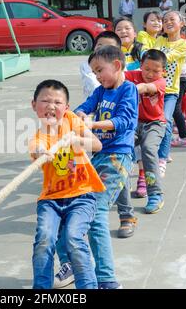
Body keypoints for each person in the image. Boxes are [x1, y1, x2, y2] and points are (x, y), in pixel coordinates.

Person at [29, 79, 106, 289]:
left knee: (73, 237)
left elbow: (97, 144)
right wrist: (42, 152)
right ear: (34, 105)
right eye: (45, 101)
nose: (51, 106)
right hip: (51, 199)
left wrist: (78, 141)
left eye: (57, 102)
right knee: (44, 238)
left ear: (66, 107)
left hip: (81, 196)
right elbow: (36, 149)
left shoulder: (72, 121)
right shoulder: (38, 137)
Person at [75, 45, 139, 288]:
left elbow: (123, 121)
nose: (97, 76)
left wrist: (93, 125)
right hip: (98, 155)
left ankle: (107, 280)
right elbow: (84, 107)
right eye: (94, 72)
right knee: (80, 207)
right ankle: (84, 268)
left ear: (117, 66)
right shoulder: (101, 91)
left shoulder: (128, 89)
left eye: (100, 70)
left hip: (118, 156)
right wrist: (77, 116)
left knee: (97, 211)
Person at [125, 49, 167, 213]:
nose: (150, 73)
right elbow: (117, 77)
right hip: (135, 123)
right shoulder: (132, 75)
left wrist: (134, 88)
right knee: (122, 145)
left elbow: (146, 87)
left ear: (163, 71)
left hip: (155, 124)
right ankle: (116, 188)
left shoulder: (161, 83)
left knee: (149, 148)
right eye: (146, 69)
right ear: (140, 66)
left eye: (155, 71)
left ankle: (155, 194)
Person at [154, 11, 186, 178]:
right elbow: (151, 57)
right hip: (155, 89)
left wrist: (154, 57)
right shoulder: (159, 40)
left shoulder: (184, 44)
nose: (168, 22)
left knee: (166, 120)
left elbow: (164, 58)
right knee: (156, 122)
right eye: (165, 20)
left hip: (170, 91)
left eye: (172, 19)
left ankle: (161, 159)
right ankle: (163, 151)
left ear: (181, 23)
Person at [80, 31, 121, 99]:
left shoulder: (121, 65)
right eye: (99, 46)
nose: (103, 51)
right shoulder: (87, 65)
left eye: (108, 49)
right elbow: (93, 85)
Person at [171, 25, 186, 148]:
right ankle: (182, 132)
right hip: (182, 77)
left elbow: (169, 58)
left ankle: (184, 137)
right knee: (176, 107)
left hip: (181, 78)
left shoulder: (182, 43)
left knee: (175, 108)